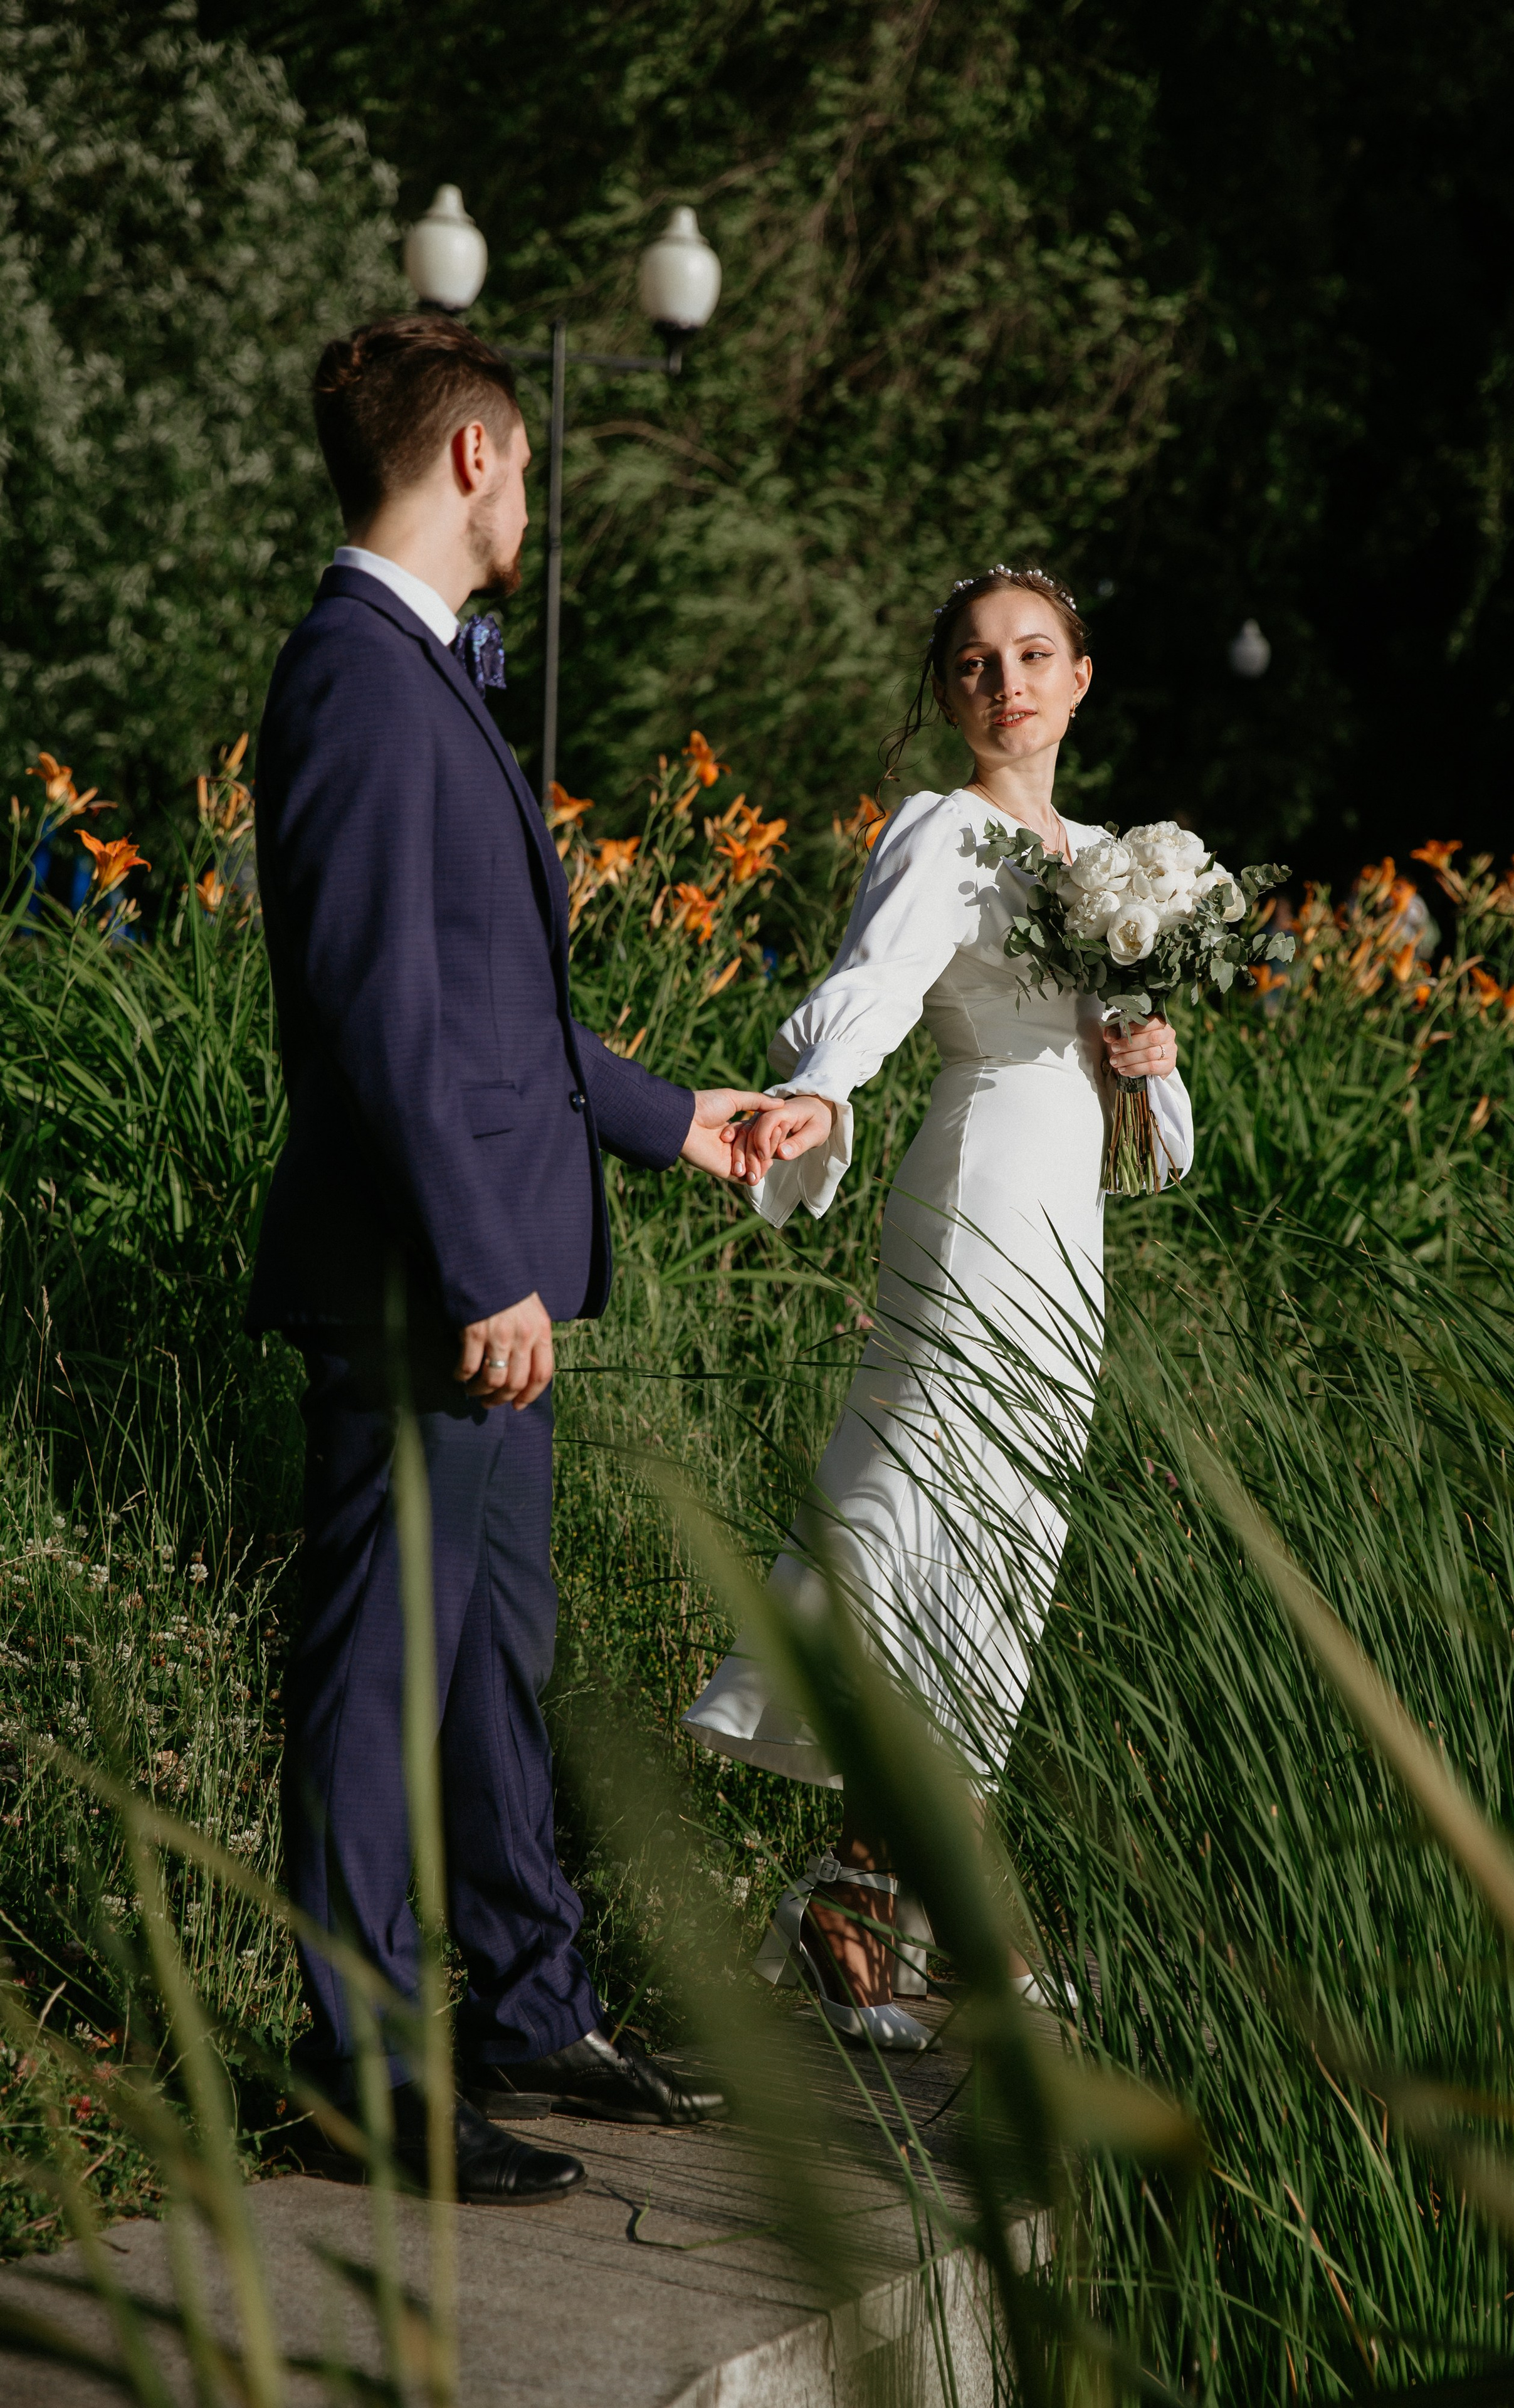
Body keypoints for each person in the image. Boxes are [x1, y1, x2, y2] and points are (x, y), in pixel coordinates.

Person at [246, 315, 763, 2201]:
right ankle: (361, 2077)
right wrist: (480, 1269)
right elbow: (381, 1018)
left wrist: (673, 1115)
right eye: (529, 462)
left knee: (491, 1661)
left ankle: (534, 2006)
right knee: (384, 1679)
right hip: (428, 1292)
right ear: (471, 459)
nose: (532, 494)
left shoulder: (413, 676)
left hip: (484, 1276)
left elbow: (489, 1009)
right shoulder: (363, 687)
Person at [681, 566, 1194, 2047]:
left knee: (1007, 1541)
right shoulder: (941, 831)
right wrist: (813, 1091)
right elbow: (878, 982)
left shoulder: (1117, 863)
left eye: (1033, 654)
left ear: (1080, 677)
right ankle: (937, 1914)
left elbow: (1147, 1127)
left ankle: (866, 1902)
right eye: (972, 664)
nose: (1004, 682)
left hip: (1067, 1219)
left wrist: (1148, 1060)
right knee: (923, 1510)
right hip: (972, 1193)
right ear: (945, 692)